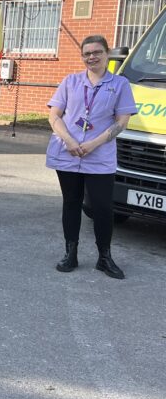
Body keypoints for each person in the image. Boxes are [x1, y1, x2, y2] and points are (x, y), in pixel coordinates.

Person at [46, 35, 137, 279]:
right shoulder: (70, 81)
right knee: (71, 202)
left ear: (107, 54)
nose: (91, 57)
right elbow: (54, 115)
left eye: (97, 52)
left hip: (100, 156)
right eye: (86, 53)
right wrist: (70, 141)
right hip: (68, 152)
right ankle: (70, 253)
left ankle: (104, 258)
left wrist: (93, 144)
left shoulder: (119, 85)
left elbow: (122, 121)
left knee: (103, 207)